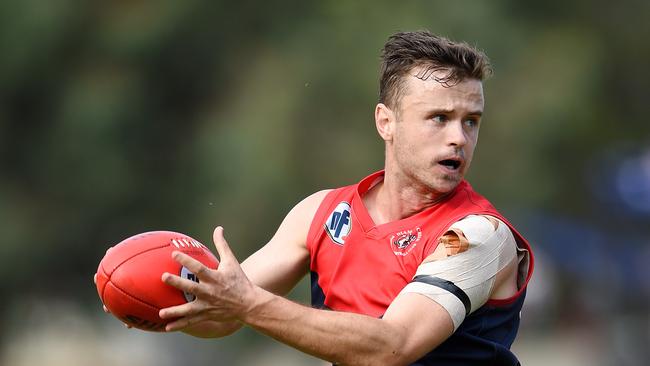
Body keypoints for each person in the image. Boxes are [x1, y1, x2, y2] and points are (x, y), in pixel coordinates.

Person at [107, 30, 534, 365]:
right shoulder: (322, 214)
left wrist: (247, 303)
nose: (459, 138)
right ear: (386, 122)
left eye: (471, 121)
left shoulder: (478, 236)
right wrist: (159, 305)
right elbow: (223, 313)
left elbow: (392, 347)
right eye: (439, 118)